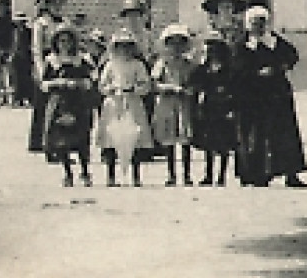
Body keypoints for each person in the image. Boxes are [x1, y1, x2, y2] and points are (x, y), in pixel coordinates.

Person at [238, 5, 307, 188]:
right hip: (253, 95)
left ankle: (291, 174)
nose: (258, 26)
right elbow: (237, 67)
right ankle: (258, 174)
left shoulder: (275, 41)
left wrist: (278, 68)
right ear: (248, 24)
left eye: (262, 22)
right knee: (257, 134)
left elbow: (292, 56)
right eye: (254, 22)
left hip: (277, 94)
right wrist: (255, 74)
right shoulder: (243, 45)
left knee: (285, 133)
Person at [39, 22, 97, 186]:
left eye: (68, 41)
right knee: (61, 139)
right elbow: (43, 84)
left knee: (81, 137)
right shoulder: (51, 61)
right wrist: (58, 83)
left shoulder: (81, 60)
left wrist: (78, 83)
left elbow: (92, 78)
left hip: (77, 102)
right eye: (61, 41)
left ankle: (85, 171)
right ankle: (67, 173)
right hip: (59, 102)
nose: (65, 44)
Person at [96, 29, 154, 186]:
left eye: (127, 46)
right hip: (113, 104)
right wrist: (111, 89)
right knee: (111, 138)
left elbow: (146, 84)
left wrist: (135, 89)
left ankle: (136, 175)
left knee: (134, 138)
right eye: (120, 46)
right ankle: (111, 175)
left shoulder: (138, 65)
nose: (124, 50)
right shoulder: (110, 65)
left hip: (133, 103)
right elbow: (101, 85)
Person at [189, 29, 238, 186]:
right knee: (208, 142)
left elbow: (234, 87)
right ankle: (208, 175)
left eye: (215, 47)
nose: (212, 50)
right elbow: (194, 83)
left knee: (224, 143)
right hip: (209, 106)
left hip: (224, 106)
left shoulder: (229, 68)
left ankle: (221, 175)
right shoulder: (203, 68)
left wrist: (232, 106)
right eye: (209, 47)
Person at [149, 23, 196, 186]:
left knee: (184, 138)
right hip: (167, 102)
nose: (176, 47)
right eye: (172, 43)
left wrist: (187, 90)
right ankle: (171, 174)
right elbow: (154, 84)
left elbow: (195, 82)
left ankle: (187, 174)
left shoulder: (189, 64)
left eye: (179, 43)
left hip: (183, 103)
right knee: (168, 138)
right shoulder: (162, 63)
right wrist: (168, 88)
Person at [28, 0, 72, 154]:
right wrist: (41, 71)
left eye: (60, 2)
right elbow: (37, 49)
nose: (58, 5)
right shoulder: (41, 24)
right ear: (47, 4)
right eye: (54, 2)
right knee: (44, 104)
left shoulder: (65, 21)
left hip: (62, 61)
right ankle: (40, 141)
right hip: (47, 63)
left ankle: (64, 139)